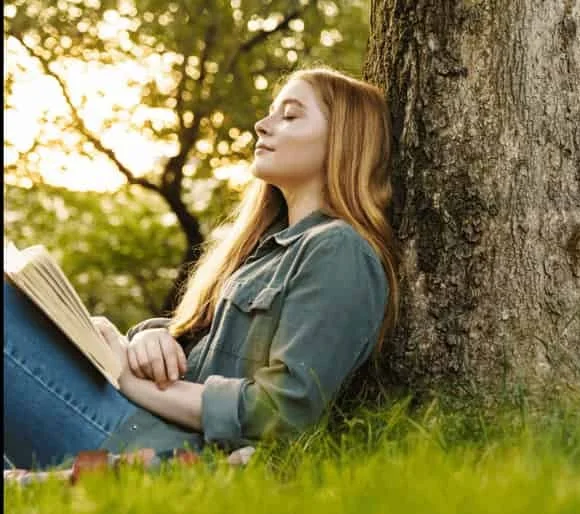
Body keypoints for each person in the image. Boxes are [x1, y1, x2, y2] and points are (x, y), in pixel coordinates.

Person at [3, 66, 399, 470]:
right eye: (270, 113)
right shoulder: (260, 250)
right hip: (140, 419)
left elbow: (283, 411)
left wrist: (130, 380)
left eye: (291, 115)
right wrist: (151, 339)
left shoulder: (338, 251)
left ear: (343, 142)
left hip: (161, 443)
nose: (262, 126)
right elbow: (201, 345)